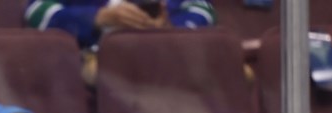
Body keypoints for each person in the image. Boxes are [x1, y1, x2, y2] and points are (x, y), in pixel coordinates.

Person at [23, 0, 218, 49]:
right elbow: (38, 12)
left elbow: (203, 9)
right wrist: (98, 18)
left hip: (166, 63)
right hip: (95, 63)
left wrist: (170, 30)